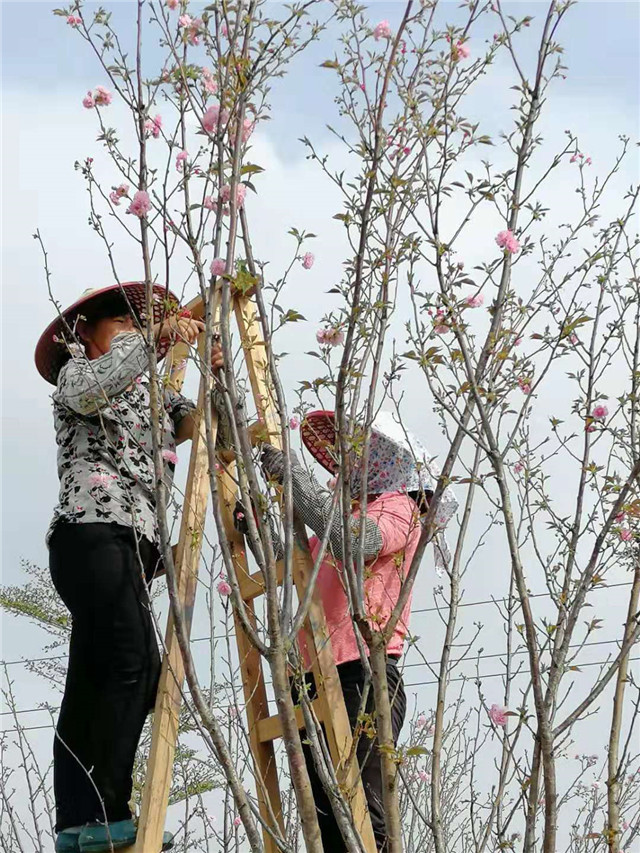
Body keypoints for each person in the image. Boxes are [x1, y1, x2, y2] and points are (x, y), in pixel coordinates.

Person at [35, 282, 228, 853]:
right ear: (85, 336)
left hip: (131, 553)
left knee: (94, 680)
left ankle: (76, 820)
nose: (130, 333)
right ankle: (106, 812)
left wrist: (216, 374)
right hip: (94, 535)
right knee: (137, 664)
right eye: (117, 325)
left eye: (133, 324)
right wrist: (150, 338)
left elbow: (219, 430)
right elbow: (97, 388)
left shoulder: (153, 399)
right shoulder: (77, 378)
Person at [257, 409, 458, 852]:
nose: (343, 467)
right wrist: (253, 519)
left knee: (361, 815)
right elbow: (290, 563)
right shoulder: (338, 520)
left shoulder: (398, 508)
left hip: (362, 674)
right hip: (310, 679)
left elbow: (358, 541)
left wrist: (294, 481)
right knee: (326, 817)